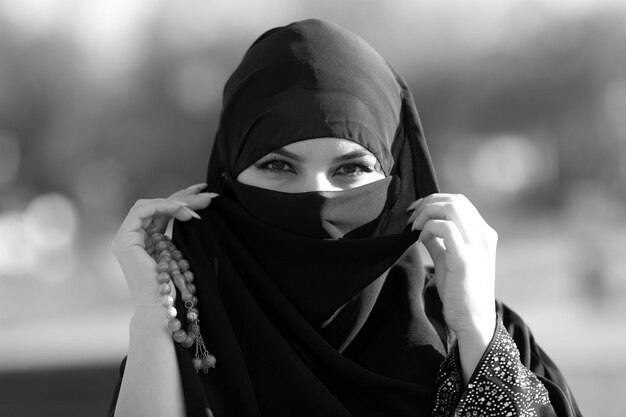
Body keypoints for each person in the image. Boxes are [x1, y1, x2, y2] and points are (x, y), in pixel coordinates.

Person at [108, 19, 581, 417]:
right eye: (277, 166)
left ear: (397, 180)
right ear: (228, 178)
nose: (318, 196)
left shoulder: (473, 327)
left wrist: (476, 331)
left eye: (351, 168)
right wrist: (152, 316)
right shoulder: (191, 340)